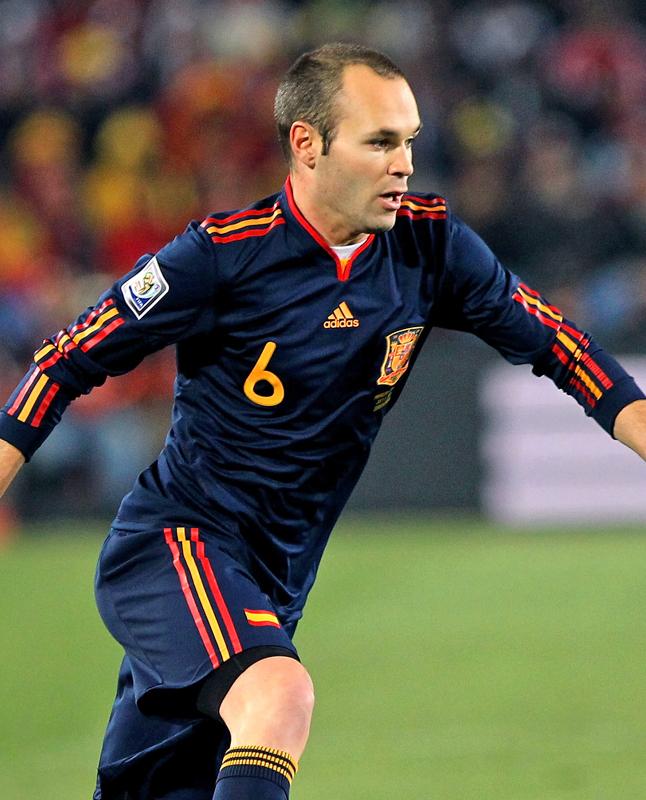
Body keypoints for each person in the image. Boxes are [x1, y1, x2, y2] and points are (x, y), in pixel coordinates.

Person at [1, 42, 645, 800]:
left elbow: (564, 348)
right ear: (308, 144)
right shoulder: (221, 257)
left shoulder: (430, 248)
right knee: (279, 697)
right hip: (178, 548)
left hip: (274, 582)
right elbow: (65, 359)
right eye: (380, 142)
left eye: (409, 141)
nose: (404, 164)